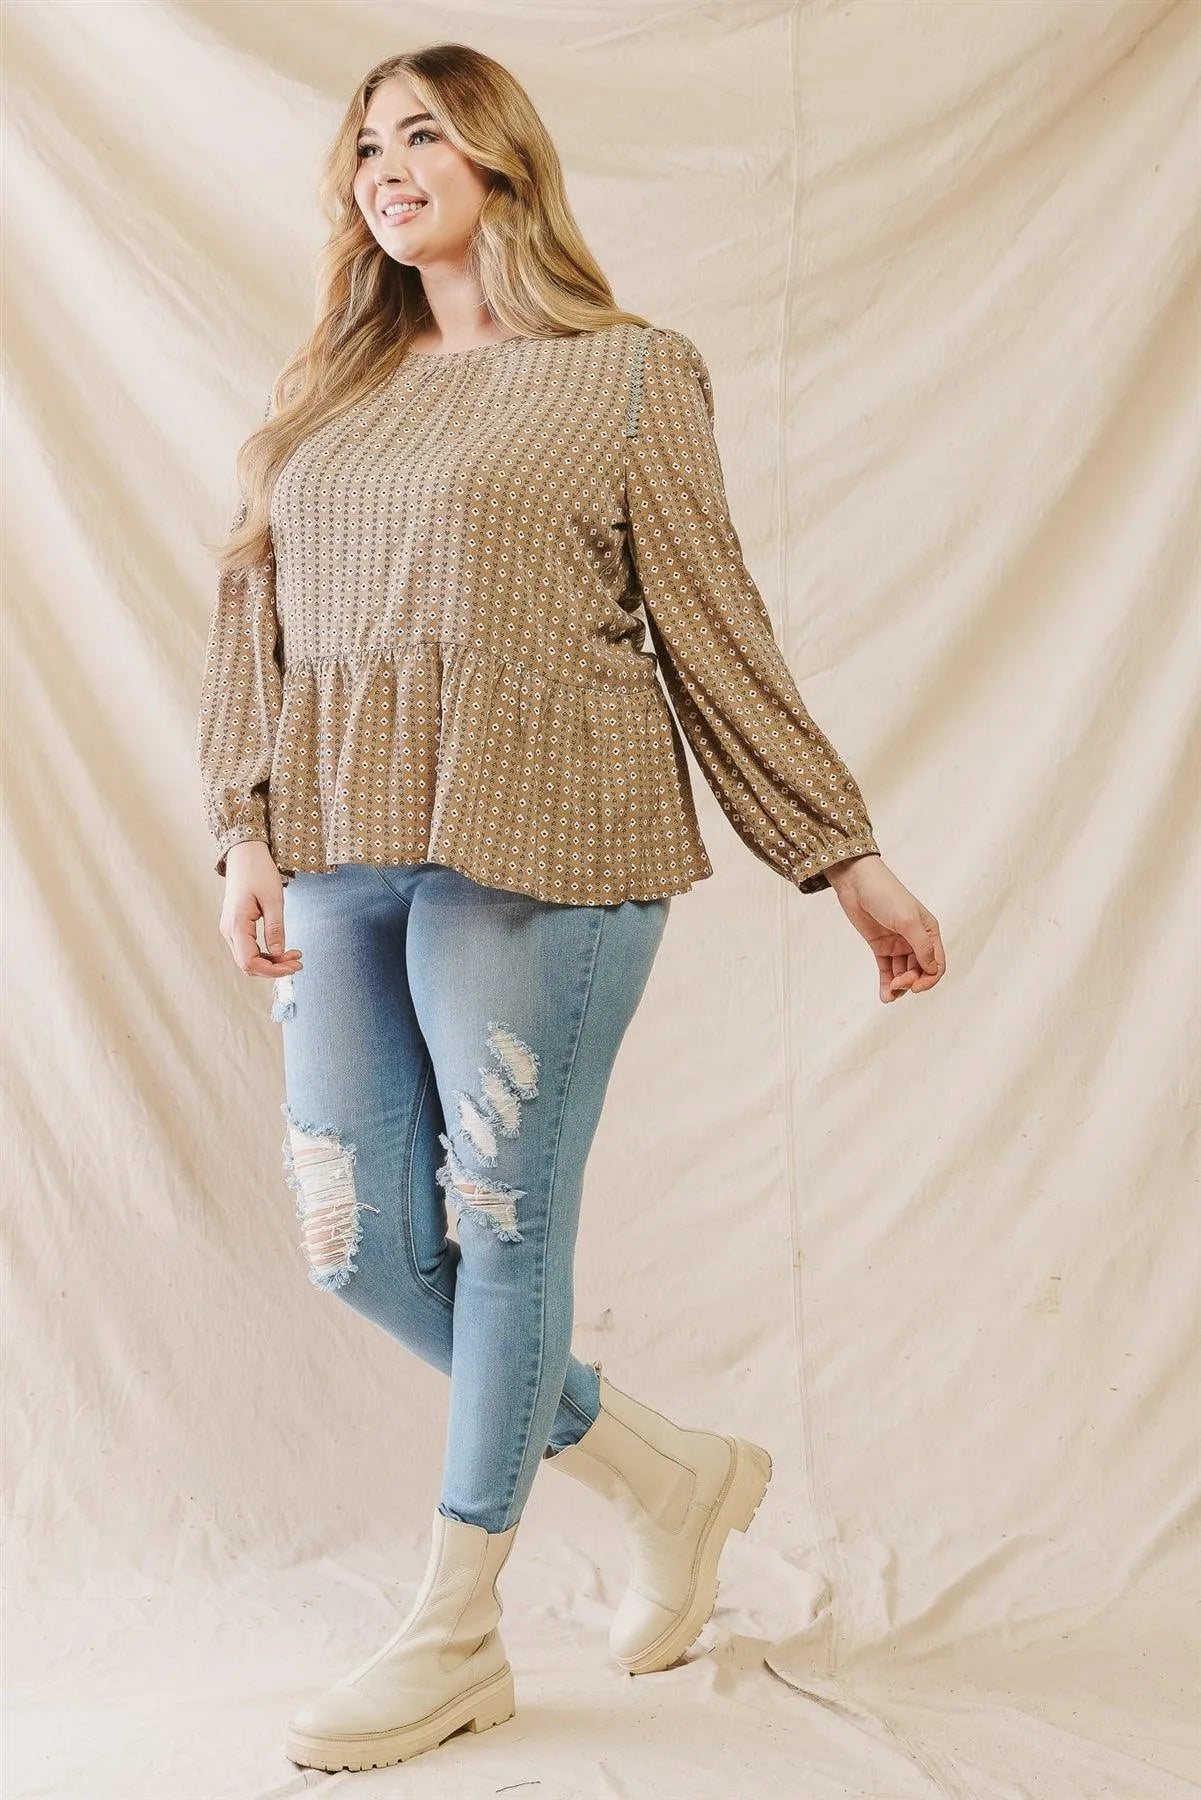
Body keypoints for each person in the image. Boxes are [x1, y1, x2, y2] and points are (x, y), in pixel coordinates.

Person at [195, 41, 946, 1778]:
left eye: (423, 133)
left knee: (503, 1226)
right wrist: (242, 832)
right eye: (365, 145)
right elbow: (250, 621)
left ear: (501, 161)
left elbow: (712, 625)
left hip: (547, 841)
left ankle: (454, 1634)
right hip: (342, 844)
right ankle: (668, 1475)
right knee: (359, 1246)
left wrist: (839, 854)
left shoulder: (624, 376)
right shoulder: (324, 398)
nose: (387, 166)